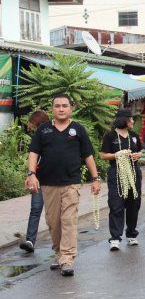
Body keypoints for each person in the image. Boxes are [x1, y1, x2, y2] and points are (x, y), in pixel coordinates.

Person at [26, 93, 101, 276]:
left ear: (71, 108)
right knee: (53, 222)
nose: (61, 109)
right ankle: (59, 254)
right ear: (52, 109)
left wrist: (96, 178)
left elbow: (88, 155)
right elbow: (33, 153)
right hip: (48, 184)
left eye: (64, 106)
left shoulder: (78, 130)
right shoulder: (43, 129)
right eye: (57, 106)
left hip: (71, 183)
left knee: (68, 220)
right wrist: (31, 174)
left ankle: (67, 259)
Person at [100, 109, 143, 251]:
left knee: (134, 204)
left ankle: (131, 234)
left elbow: (141, 151)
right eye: (130, 119)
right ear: (123, 119)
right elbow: (103, 155)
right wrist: (117, 155)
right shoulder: (110, 136)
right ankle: (115, 237)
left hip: (133, 172)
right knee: (116, 204)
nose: (132, 122)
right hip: (116, 173)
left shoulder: (134, 136)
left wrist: (138, 155)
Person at [19, 110, 50, 253]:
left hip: (55, 180)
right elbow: (34, 158)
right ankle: (30, 240)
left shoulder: (52, 134)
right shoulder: (37, 137)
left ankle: (62, 243)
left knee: (56, 213)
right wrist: (30, 175)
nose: (31, 127)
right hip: (38, 179)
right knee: (36, 209)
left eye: (32, 124)